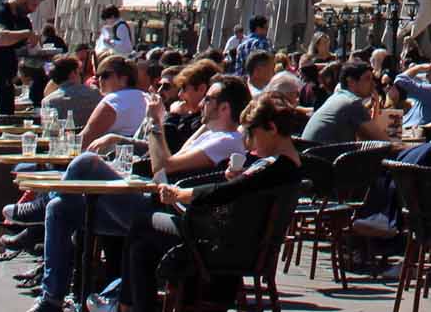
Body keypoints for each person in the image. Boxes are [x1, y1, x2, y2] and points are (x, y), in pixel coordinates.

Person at [27, 77, 252, 312]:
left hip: (166, 213)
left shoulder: (227, 141)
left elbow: (162, 166)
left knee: (87, 162)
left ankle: (43, 201)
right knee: (60, 209)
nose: (202, 102)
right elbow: (165, 161)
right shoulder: (210, 134)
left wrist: (156, 120)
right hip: (154, 201)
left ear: (224, 108)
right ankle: (51, 298)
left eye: (208, 99)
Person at [115, 91, 305, 312]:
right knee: (142, 247)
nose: (248, 143)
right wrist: (240, 178)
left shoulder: (272, 166)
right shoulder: (288, 166)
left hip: (224, 248)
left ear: (271, 128)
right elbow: (240, 189)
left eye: (251, 133)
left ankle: (124, 305)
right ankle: (130, 306)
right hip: (243, 245)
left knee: (142, 224)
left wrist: (178, 193)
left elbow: (220, 193)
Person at [300, 57, 390, 146]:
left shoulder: (337, 97)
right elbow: (383, 141)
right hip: (326, 158)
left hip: (313, 156)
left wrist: (376, 106)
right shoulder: (352, 103)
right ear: (350, 81)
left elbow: (367, 138)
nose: (373, 84)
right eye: (367, 79)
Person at [78, 54, 152, 151]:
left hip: (113, 161)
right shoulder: (149, 98)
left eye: (105, 75)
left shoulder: (113, 100)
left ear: (123, 79)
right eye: (98, 76)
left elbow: (84, 140)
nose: (99, 80)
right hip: (144, 159)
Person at [36, 57, 102, 131]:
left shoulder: (48, 101)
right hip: (93, 139)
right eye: (79, 73)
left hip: (62, 140)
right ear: (73, 73)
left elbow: (47, 129)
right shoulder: (94, 93)